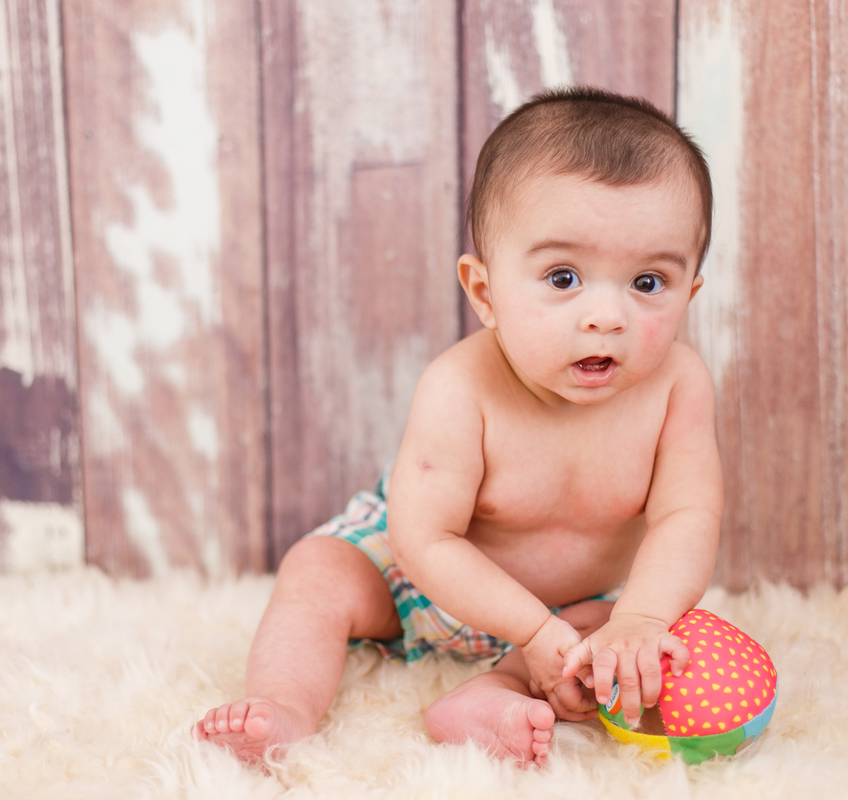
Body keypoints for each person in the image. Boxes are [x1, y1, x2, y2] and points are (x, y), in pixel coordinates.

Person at [194, 86, 723, 766]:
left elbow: (688, 515)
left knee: (634, 645)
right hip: (414, 579)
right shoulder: (460, 387)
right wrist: (528, 624)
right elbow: (424, 538)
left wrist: (639, 620)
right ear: (485, 293)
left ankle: (489, 697)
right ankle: (286, 707)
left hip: (571, 607)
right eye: (563, 277)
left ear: (689, 293)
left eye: (648, 283)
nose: (606, 316)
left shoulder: (678, 384)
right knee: (318, 572)